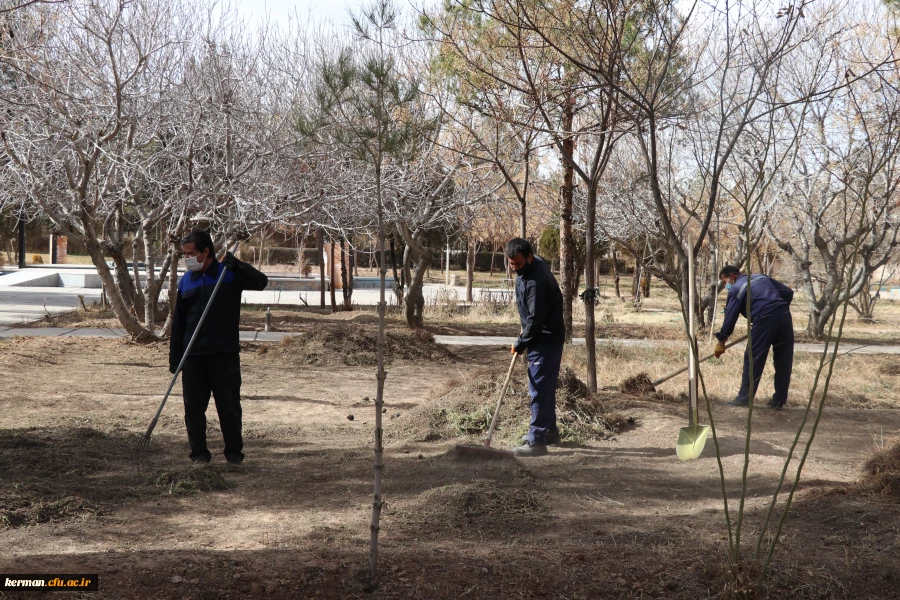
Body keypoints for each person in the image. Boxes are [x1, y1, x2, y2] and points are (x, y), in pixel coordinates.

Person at [169, 230, 268, 469]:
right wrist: (175, 357)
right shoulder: (186, 281)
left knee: (229, 406)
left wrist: (239, 265)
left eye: (191, 253)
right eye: (184, 254)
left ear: (206, 252)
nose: (187, 258)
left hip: (224, 354)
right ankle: (199, 455)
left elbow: (261, 283)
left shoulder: (228, 275)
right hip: (193, 355)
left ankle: (234, 455)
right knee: (193, 408)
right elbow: (178, 323)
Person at [506, 237, 566, 457]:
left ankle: (537, 441)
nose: (514, 269)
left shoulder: (536, 281)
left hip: (545, 339)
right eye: (511, 264)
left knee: (539, 389)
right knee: (545, 386)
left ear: (529, 257)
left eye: (518, 264)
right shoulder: (530, 267)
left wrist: (521, 343)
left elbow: (535, 318)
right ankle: (549, 432)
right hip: (541, 337)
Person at [713, 265, 794, 409]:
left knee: (753, 358)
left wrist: (722, 340)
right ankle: (779, 400)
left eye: (724, 282)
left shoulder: (737, 288)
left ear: (731, 276)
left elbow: (730, 317)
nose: (725, 286)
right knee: (783, 359)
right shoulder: (761, 277)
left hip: (764, 318)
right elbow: (787, 292)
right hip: (784, 316)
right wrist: (777, 310)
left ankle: (744, 398)